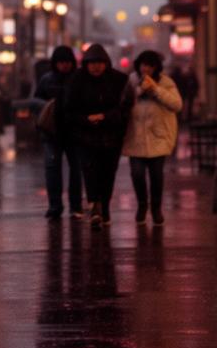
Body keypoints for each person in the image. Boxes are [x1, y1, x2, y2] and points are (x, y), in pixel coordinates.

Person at [60, 42, 129, 228]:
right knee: (90, 171)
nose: (96, 67)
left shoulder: (118, 80)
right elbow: (69, 110)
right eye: (92, 63)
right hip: (85, 136)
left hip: (111, 136)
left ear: (106, 63)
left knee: (108, 172)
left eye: (99, 63)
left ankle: (104, 206)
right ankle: (95, 207)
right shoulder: (76, 81)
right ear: (86, 64)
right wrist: (86, 119)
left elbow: (124, 108)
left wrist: (105, 117)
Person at [122, 49, 182, 224]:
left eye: (150, 66)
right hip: (135, 136)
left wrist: (155, 89)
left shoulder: (166, 82)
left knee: (156, 176)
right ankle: (142, 204)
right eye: (143, 65)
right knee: (137, 174)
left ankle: (156, 208)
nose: (146, 69)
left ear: (156, 67)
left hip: (158, 137)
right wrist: (138, 91)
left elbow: (177, 105)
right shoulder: (131, 82)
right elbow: (123, 103)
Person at [33, 44, 82, 219]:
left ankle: (75, 206)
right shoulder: (47, 79)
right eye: (61, 62)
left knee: (75, 170)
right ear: (55, 63)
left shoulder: (78, 79)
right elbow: (36, 101)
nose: (64, 65)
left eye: (67, 62)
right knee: (53, 169)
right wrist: (48, 106)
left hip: (74, 132)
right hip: (52, 132)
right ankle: (55, 206)